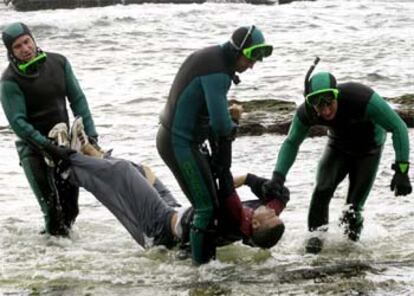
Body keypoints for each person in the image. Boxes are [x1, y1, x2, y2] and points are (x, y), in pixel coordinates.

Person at [47, 120, 288, 255]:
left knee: (123, 174)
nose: (271, 210)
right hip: (173, 212)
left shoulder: (235, 216)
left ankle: (64, 161)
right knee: (142, 172)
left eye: (269, 215)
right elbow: (281, 196)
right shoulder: (256, 223)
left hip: (160, 229)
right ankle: (86, 150)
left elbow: (225, 182)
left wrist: (249, 178)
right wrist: (268, 187)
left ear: (255, 223)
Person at [263, 60, 411, 253]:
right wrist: (278, 177)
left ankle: (350, 256)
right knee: (321, 192)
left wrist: (401, 170)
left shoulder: (361, 98)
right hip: (337, 146)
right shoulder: (307, 112)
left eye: (329, 102)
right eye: (317, 104)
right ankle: (313, 252)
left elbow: (398, 127)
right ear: (309, 101)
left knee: (353, 209)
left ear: (337, 95)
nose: (325, 110)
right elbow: (292, 142)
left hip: (369, 150)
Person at [156, 25, 273, 264]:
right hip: (178, 143)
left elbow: (209, 115)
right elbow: (221, 124)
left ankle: (192, 255)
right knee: (206, 209)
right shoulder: (218, 72)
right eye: (250, 57)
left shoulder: (214, 59)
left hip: (185, 141)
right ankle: (202, 272)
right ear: (237, 49)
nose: (251, 65)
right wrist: (234, 124)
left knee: (211, 206)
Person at [0, 22, 99, 236]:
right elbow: (18, 123)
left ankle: (66, 263)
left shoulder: (59, 62)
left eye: (27, 42)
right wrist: (48, 146)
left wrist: (91, 135)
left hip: (65, 145)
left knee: (71, 211)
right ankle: (47, 261)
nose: (25, 49)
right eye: (17, 46)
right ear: (11, 52)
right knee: (53, 211)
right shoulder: (9, 81)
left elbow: (78, 100)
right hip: (34, 151)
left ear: (33, 40)